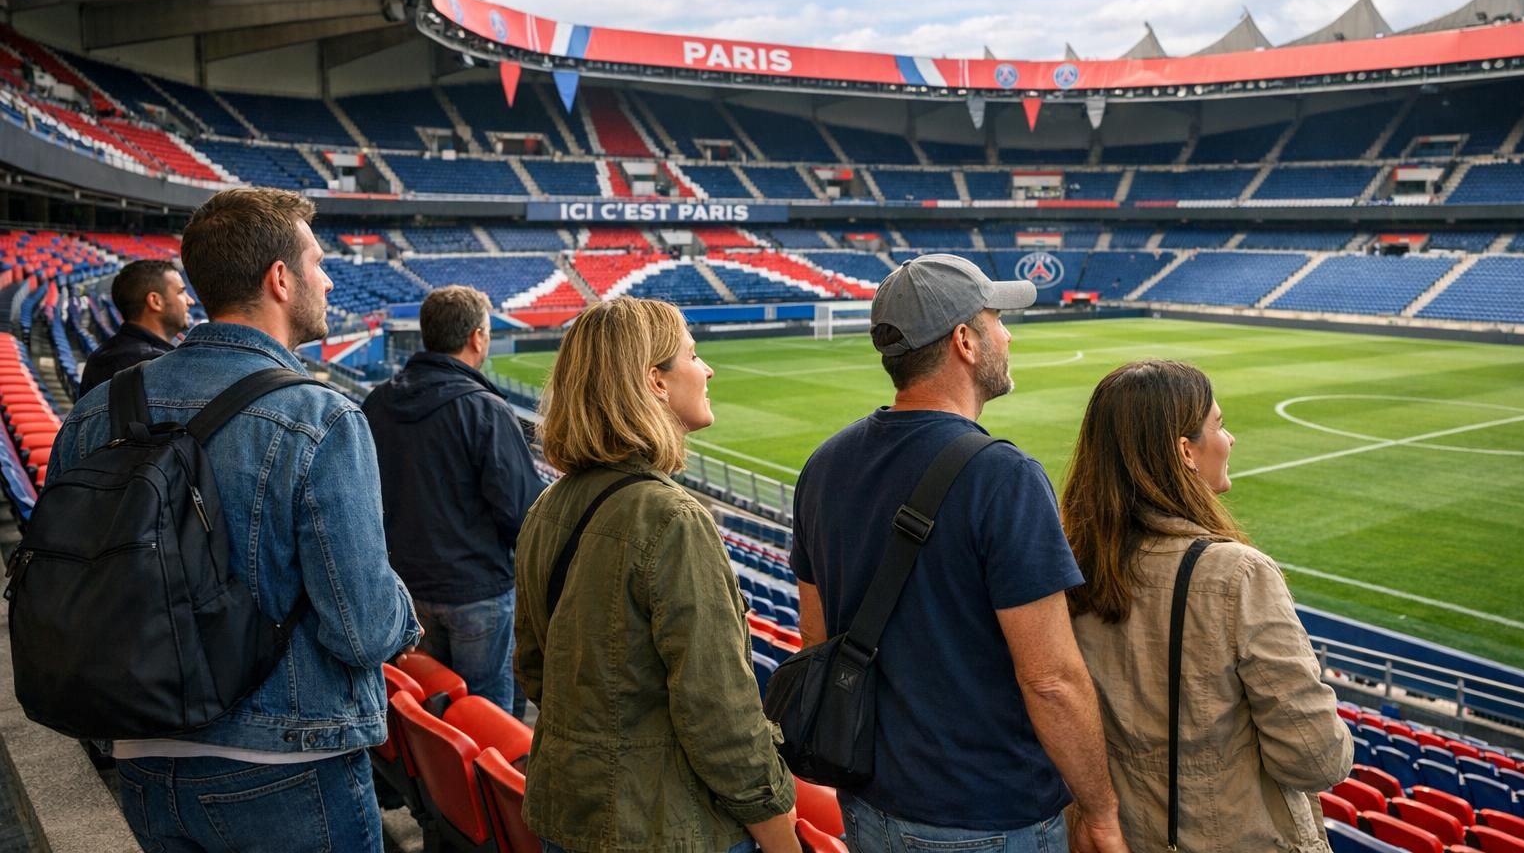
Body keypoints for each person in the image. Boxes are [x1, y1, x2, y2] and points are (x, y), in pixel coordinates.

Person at [49, 187, 421, 853]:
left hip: (142, 757)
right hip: (287, 765)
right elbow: (363, 632)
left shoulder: (96, 408)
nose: (330, 278)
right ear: (280, 279)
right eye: (318, 262)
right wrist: (404, 610)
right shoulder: (321, 416)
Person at [792, 253, 1129, 853]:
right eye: (997, 319)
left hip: (869, 803)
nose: (1008, 333)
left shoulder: (823, 466)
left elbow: (817, 640)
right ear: (965, 342)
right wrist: (1100, 813)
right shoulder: (1005, 476)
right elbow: (1051, 679)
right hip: (987, 815)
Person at [514, 297, 798, 853]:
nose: (708, 369)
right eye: (693, 355)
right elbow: (721, 714)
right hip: (664, 828)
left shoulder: (548, 506)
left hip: (569, 816)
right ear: (656, 382)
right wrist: (781, 834)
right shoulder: (673, 518)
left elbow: (534, 667)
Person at [1060, 360, 1352, 853]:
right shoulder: (1236, 575)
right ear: (1185, 451)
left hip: (1114, 835)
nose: (1230, 439)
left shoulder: (1068, 562)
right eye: (1218, 425)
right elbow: (1316, 758)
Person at [364, 285, 543, 716]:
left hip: (403, 592)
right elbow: (524, 514)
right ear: (477, 337)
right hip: (476, 594)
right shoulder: (485, 410)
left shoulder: (376, 403)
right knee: (487, 718)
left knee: (426, 710)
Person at [78, 258, 195, 395]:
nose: (190, 301)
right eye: (181, 292)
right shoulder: (154, 366)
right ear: (155, 301)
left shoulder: (101, 356)